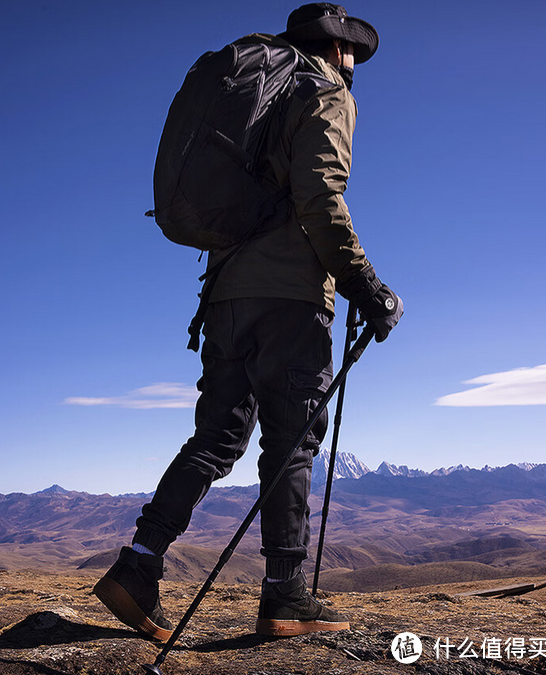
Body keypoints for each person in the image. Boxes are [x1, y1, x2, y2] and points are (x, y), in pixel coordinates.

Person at [94, 2, 403, 641]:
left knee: (215, 437)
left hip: (226, 298)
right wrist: (365, 286)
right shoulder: (325, 92)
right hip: (290, 298)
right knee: (292, 442)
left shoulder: (262, 91)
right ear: (339, 50)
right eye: (353, 53)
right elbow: (320, 195)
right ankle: (285, 595)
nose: (354, 65)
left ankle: (139, 566)